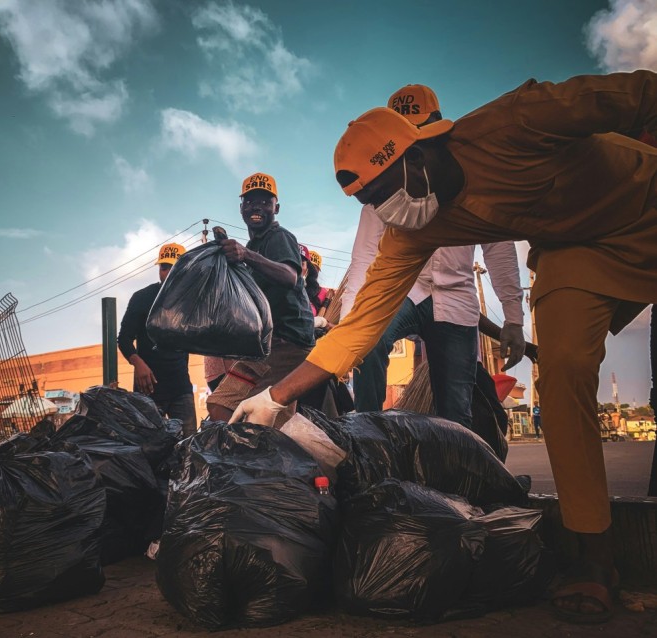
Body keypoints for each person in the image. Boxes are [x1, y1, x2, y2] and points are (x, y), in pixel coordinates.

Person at [231, 71, 657, 623]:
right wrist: (275, 396)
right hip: (575, 251)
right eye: (371, 201)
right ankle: (596, 556)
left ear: (420, 147)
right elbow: (360, 327)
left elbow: (639, 93)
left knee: (464, 399)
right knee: (566, 370)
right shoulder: (414, 230)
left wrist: (510, 317)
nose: (386, 211)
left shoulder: (515, 121)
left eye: (385, 193)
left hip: (644, 202)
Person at [343, 84, 525, 431]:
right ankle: (367, 435)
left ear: (438, 129)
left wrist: (513, 318)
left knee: (457, 413)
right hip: (403, 290)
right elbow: (364, 257)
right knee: (368, 341)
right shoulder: (383, 184)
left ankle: (461, 476)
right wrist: (352, 323)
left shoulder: (471, 174)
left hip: (456, 298)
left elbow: (498, 245)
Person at [205, 172, 315, 428]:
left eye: (265, 202)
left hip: (287, 343)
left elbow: (289, 277)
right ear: (242, 208)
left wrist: (245, 256)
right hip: (266, 346)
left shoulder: (279, 237)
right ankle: (276, 462)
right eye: (250, 201)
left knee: (227, 406)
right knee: (274, 420)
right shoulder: (252, 246)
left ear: (276, 207)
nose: (257, 207)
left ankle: (251, 462)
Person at [118, 243, 198, 437]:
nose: (168, 273)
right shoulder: (142, 297)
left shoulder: (191, 301)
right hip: (148, 390)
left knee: (190, 447)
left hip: (181, 387)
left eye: (174, 267)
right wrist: (138, 363)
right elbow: (124, 338)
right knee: (149, 448)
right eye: (164, 267)